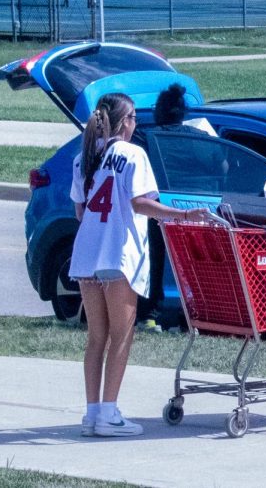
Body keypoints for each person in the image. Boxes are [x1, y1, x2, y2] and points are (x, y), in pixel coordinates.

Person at [70, 93, 212, 437]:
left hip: (87, 253)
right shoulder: (133, 154)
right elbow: (141, 204)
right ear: (126, 121)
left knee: (96, 337)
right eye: (132, 118)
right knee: (121, 335)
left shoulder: (83, 157)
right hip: (118, 255)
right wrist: (184, 214)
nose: (135, 124)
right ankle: (108, 413)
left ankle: (93, 413)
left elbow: (80, 212)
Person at [135, 83, 209, 334]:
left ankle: (148, 316)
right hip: (199, 208)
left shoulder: (145, 138)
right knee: (194, 266)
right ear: (182, 113)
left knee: (154, 263)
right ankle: (191, 318)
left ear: (159, 112)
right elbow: (221, 167)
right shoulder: (199, 137)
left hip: (159, 208)